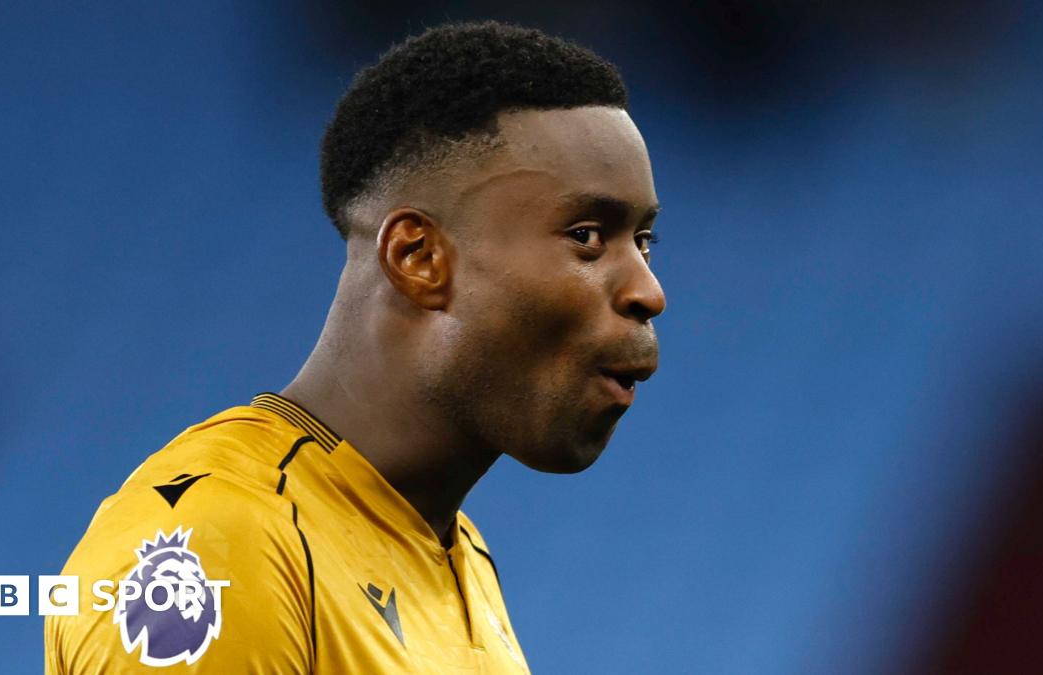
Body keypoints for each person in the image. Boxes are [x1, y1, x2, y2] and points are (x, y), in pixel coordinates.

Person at [45, 20, 664, 673]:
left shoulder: (458, 555)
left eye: (645, 241)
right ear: (419, 257)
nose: (649, 290)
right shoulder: (219, 541)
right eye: (589, 236)